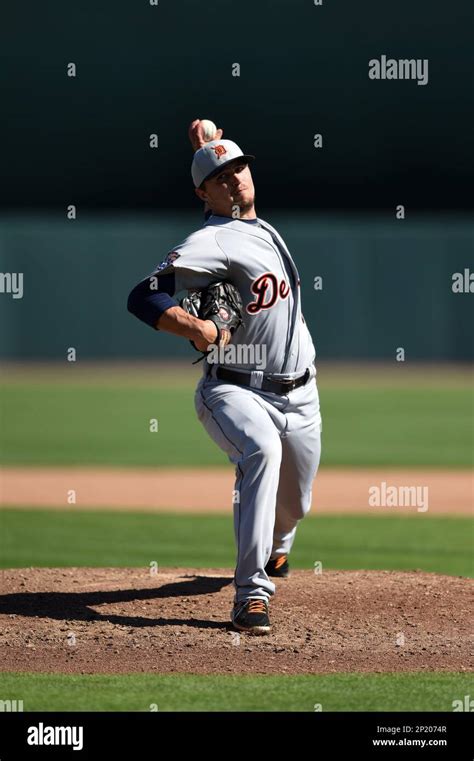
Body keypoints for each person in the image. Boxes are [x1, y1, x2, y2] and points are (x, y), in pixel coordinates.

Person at [127, 120, 322, 635]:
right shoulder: (211, 240)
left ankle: (278, 547)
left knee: (296, 503)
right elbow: (144, 295)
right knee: (261, 452)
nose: (236, 179)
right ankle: (251, 595)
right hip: (234, 387)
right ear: (203, 194)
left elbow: (216, 163)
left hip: (301, 393)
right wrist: (195, 327)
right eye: (222, 176)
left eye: (239, 167)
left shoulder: (260, 228)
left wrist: (208, 151)